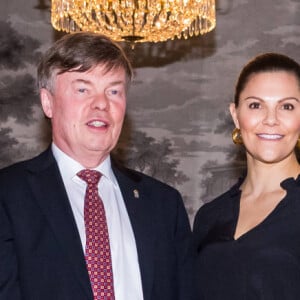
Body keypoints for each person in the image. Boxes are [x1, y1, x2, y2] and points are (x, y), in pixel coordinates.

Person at [0, 32, 195, 300]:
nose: (102, 104)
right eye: (83, 89)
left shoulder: (163, 204)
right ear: (48, 102)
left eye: (113, 91)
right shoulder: (8, 195)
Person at [193, 52, 300, 299]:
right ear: (235, 115)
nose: (271, 120)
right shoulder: (209, 216)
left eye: (286, 106)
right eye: (255, 105)